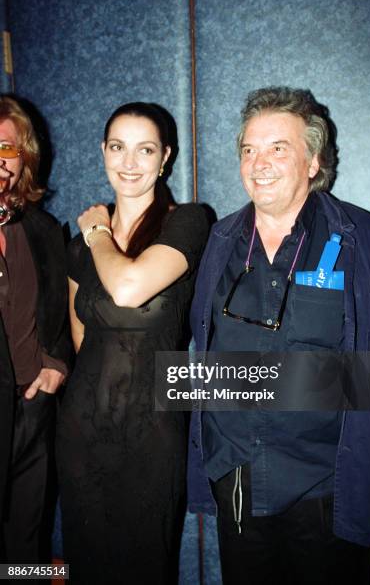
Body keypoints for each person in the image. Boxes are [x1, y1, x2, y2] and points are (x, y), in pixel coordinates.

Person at [188, 87, 370, 584]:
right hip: (238, 475)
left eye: (277, 148)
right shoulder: (220, 242)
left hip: (328, 485)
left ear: (313, 161)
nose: (258, 163)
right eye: (249, 149)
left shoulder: (364, 240)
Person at [57, 102, 210, 584]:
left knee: (145, 566)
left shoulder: (187, 222)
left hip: (152, 433)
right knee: (86, 562)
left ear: (165, 157)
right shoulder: (78, 248)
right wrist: (92, 236)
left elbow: (129, 288)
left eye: (144, 150)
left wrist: (98, 229)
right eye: (118, 147)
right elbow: (82, 340)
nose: (129, 162)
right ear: (103, 151)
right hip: (82, 430)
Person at [0, 95, 70, 564]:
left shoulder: (42, 228)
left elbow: (60, 309)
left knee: (27, 549)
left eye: (6, 148)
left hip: (31, 412)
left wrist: (56, 363)